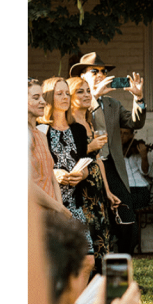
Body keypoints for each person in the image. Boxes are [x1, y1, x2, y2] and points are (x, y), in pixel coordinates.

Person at [72, 53, 145, 255]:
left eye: (103, 72)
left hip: (113, 167)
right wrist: (93, 97)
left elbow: (134, 123)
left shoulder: (113, 103)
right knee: (98, 228)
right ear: (82, 75)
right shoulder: (76, 102)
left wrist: (138, 98)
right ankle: (98, 281)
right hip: (88, 170)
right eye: (94, 71)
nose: (100, 75)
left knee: (128, 224)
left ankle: (120, 280)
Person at [42, 77, 110, 262]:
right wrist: (55, 174)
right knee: (58, 264)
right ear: (48, 97)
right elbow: (37, 169)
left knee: (87, 261)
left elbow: (85, 164)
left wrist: (81, 174)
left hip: (76, 204)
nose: (65, 97)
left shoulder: (78, 130)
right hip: (51, 205)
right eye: (59, 94)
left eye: (66, 93)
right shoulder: (42, 130)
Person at [67, 76, 122, 269]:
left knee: (102, 236)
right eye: (80, 91)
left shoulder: (89, 121)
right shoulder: (70, 124)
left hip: (97, 189)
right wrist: (91, 146)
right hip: (82, 189)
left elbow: (98, 161)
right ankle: (89, 288)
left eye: (88, 91)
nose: (86, 95)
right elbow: (73, 158)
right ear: (70, 96)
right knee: (88, 241)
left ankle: (103, 286)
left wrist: (107, 191)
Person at [28, 79, 68, 215]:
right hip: (34, 214)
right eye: (35, 97)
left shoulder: (41, 134)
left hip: (52, 214)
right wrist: (58, 208)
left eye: (42, 97)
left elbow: (52, 177)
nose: (43, 102)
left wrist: (60, 208)